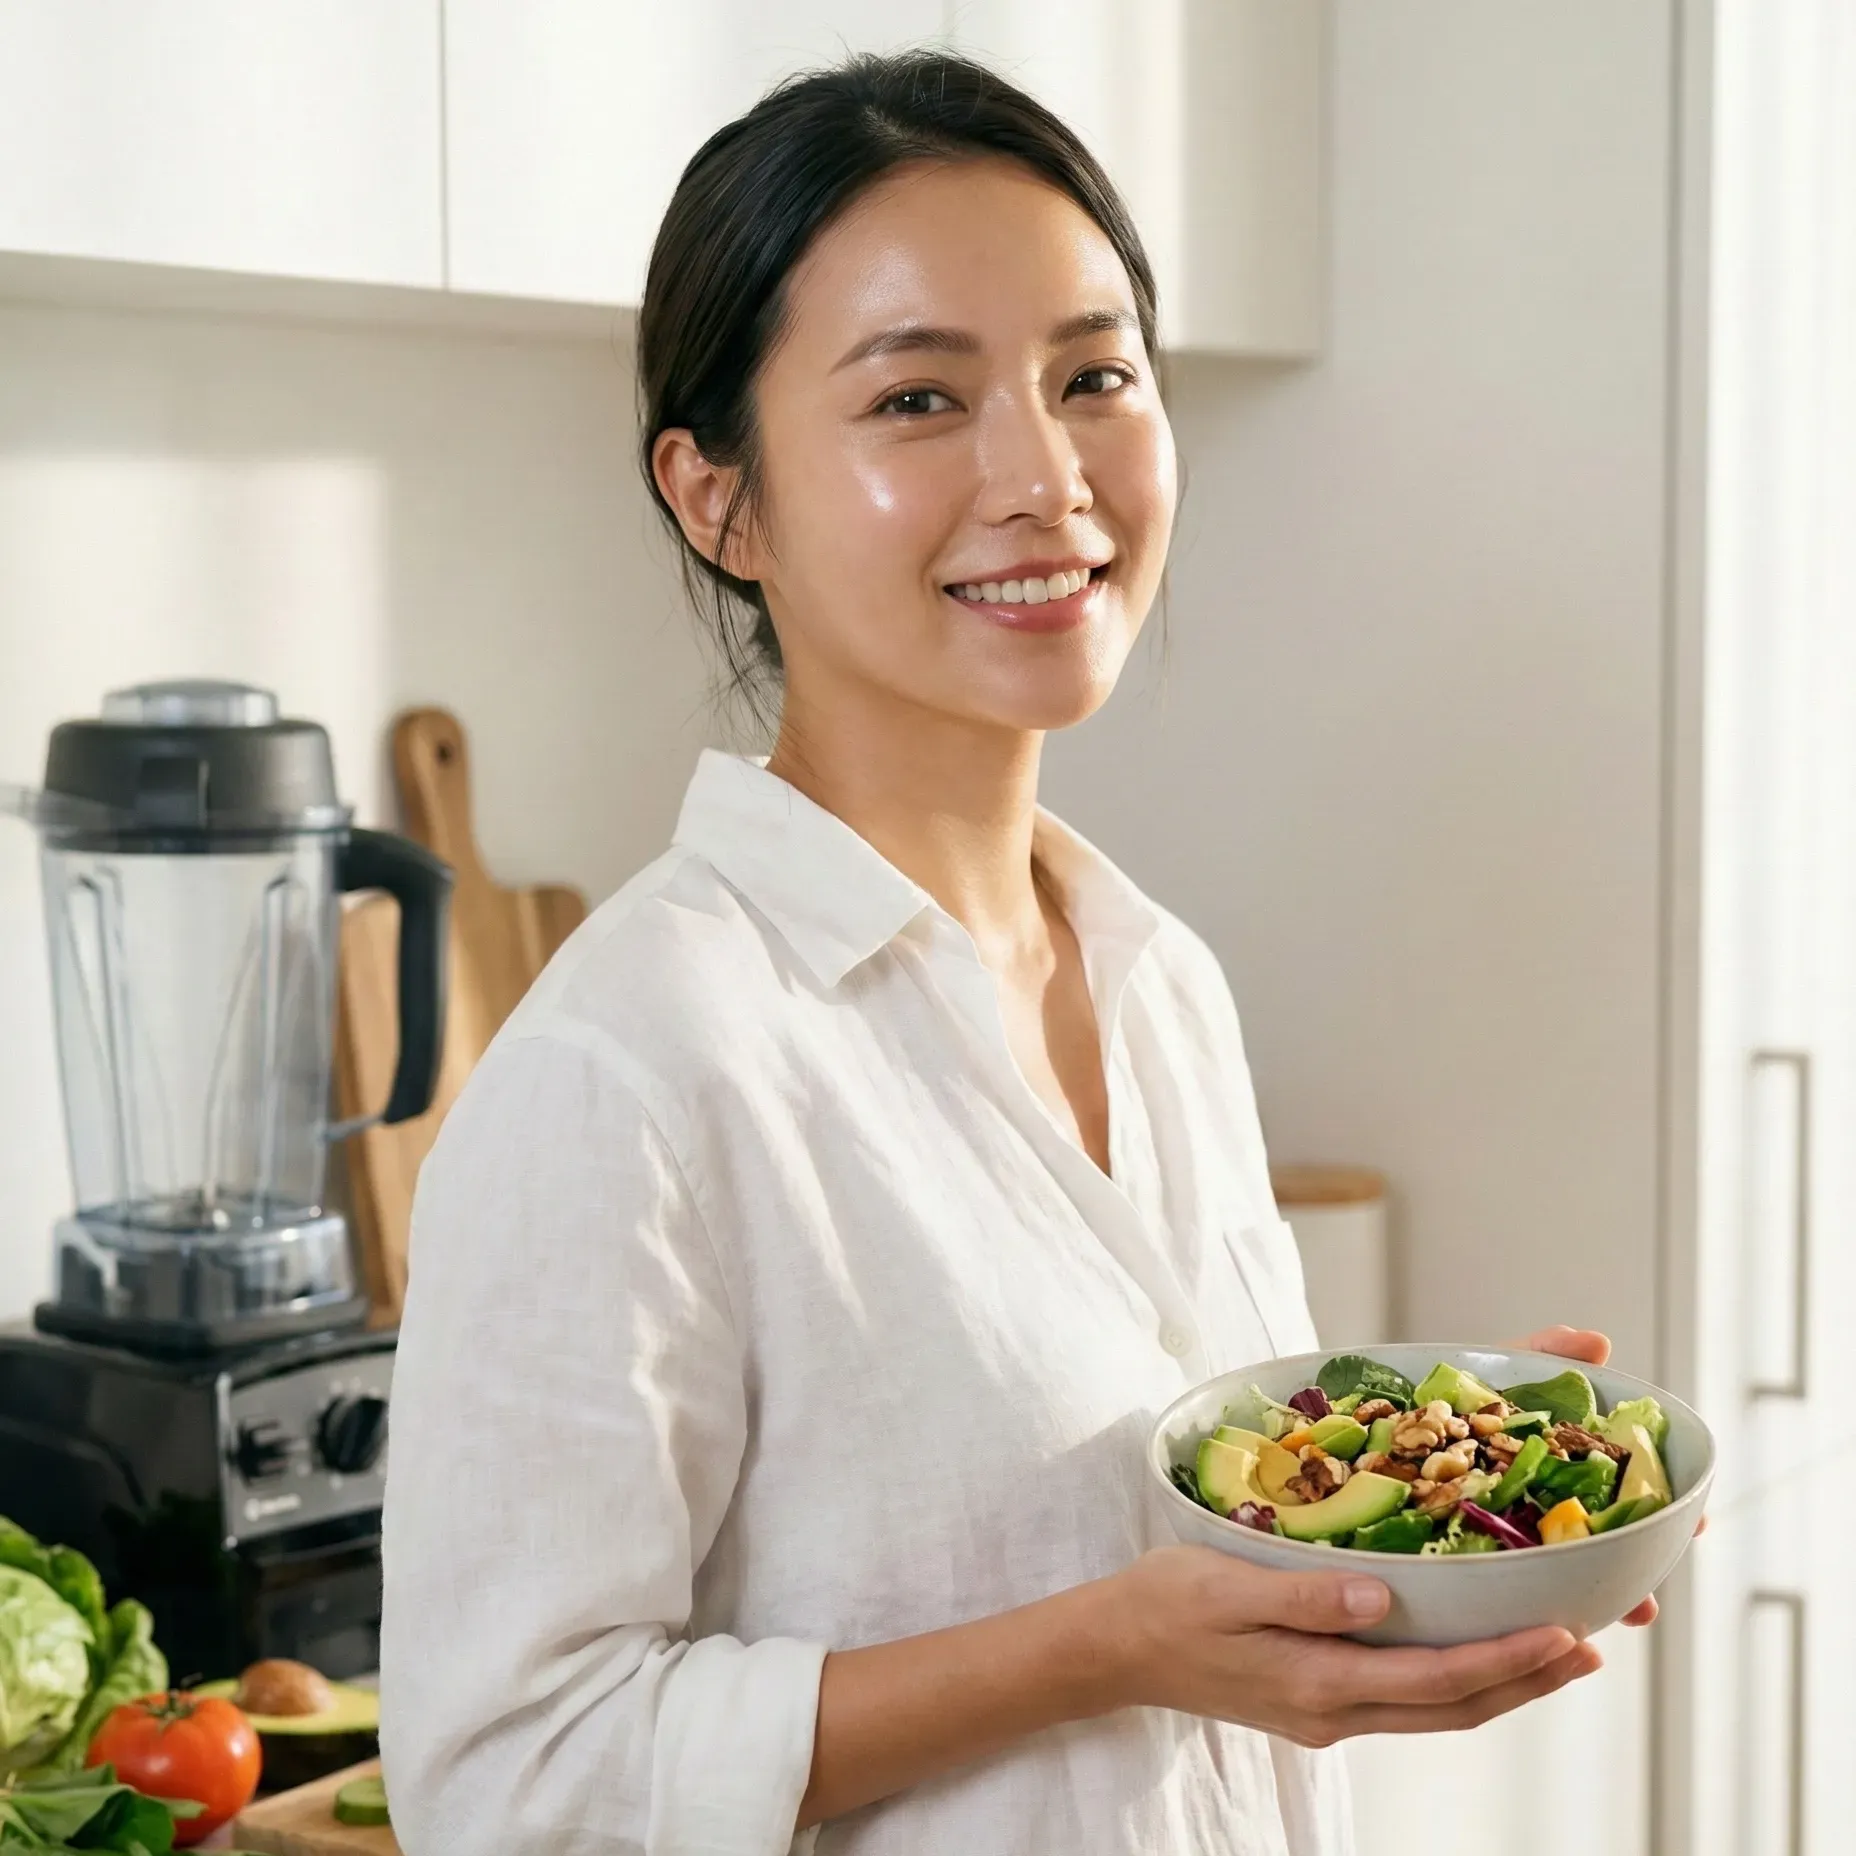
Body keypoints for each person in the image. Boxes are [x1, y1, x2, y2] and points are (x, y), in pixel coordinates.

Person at [379, 50, 1648, 1856]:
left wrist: (1421, 1495)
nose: (1046, 477)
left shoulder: (1159, 983)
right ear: (715, 497)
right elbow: (503, 1788)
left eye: (1093, 377)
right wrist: (1096, 1650)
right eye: (917, 399)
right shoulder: (632, 1069)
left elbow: (1220, 1595)